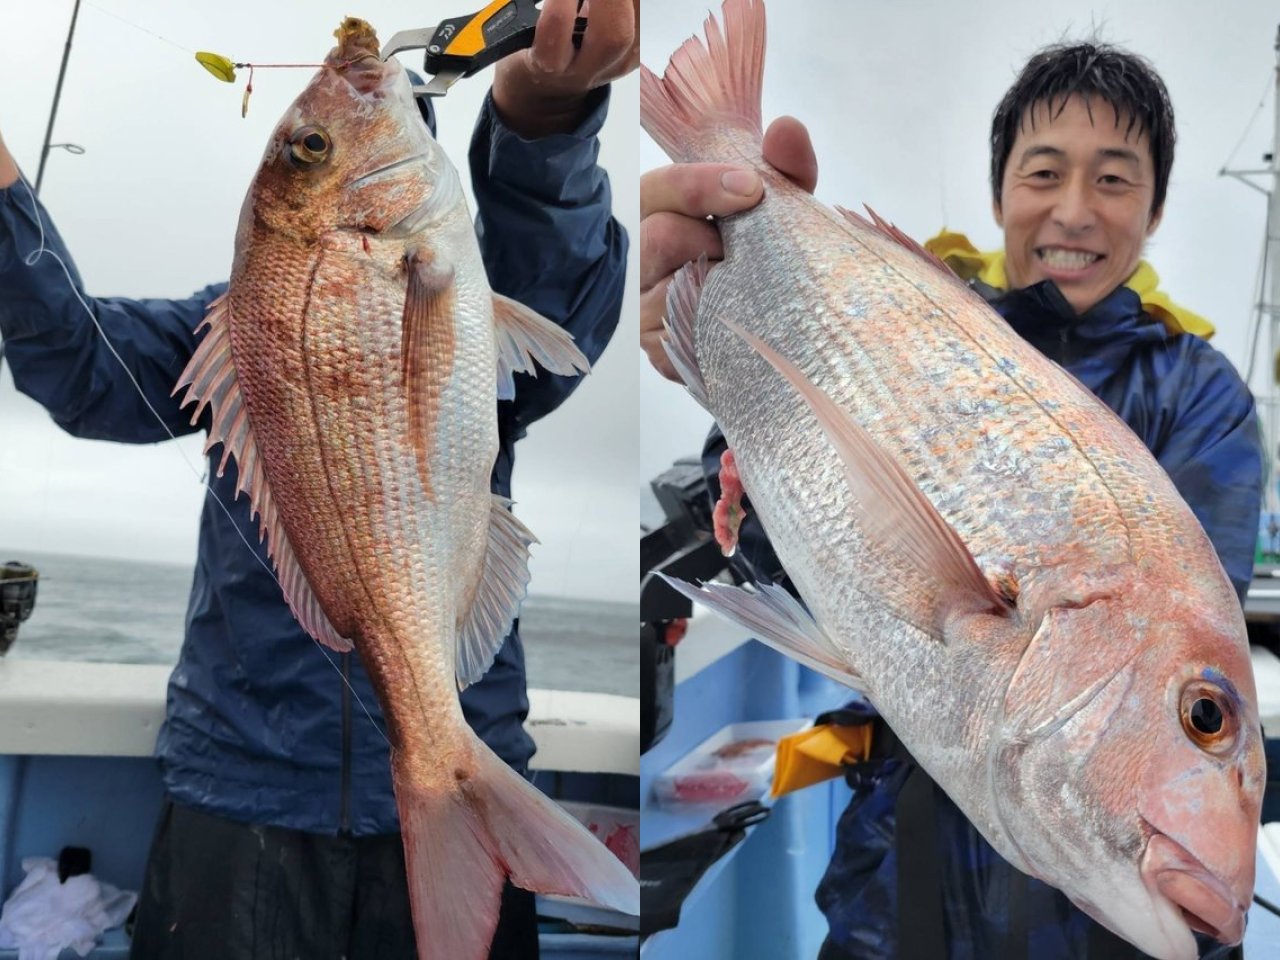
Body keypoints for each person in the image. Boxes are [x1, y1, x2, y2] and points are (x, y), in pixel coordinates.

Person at [0, 2, 637, 957]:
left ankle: (450, 780)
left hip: (465, 752)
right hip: (242, 785)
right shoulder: (237, 334)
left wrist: (542, 122)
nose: (333, 103)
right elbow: (82, 368)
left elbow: (553, 334)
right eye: (306, 148)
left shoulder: (461, 305)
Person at [640, 39, 1261, 960]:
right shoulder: (902, 319)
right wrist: (717, 367)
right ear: (1001, 187)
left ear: (1158, 206)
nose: (1075, 210)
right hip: (896, 890)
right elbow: (784, 546)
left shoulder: (1202, 396)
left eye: (1116, 180)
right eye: (1044, 172)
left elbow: (1188, 609)